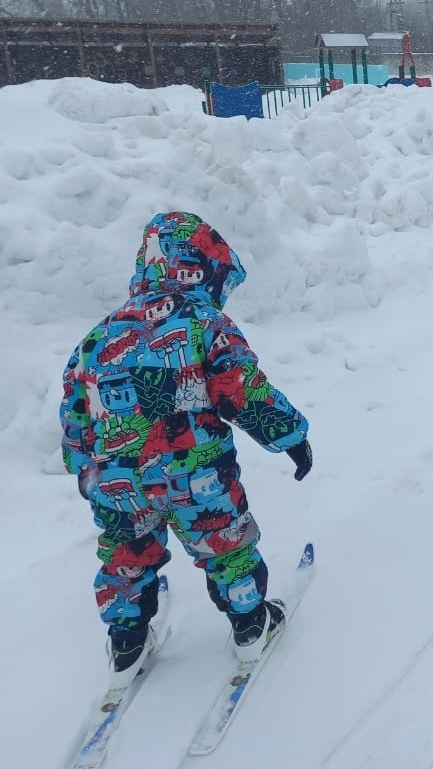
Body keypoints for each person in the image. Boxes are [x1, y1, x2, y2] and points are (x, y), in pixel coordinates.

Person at [59, 210, 312, 686]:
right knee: (222, 540)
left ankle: (126, 642)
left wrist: (84, 471)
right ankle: (250, 624)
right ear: (197, 266)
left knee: (125, 553)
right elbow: (242, 390)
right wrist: (291, 436)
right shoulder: (204, 324)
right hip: (195, 473)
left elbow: (75, 417)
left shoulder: (94, 340)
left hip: (117, 482)